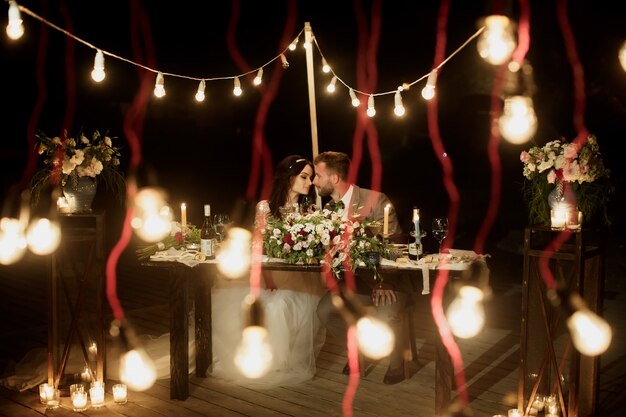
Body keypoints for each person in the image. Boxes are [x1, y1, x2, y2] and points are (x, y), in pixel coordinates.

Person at [211, 155, 326, 387]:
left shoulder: (310, 210)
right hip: (268, 272)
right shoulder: (265, 207)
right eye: (304, 177)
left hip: (299, 275)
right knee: (273, 303)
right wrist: (267, 276)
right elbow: (258, 246)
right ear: (289, 177)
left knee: (292, 303)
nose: (309, 182)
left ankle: (282, 359)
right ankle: (263, 358)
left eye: (311, 178)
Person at [312, 151, 412, 385]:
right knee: (325, 310)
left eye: (318, 175)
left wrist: (384, 281)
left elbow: (395, 245)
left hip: (389, 281)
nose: (314, 181)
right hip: (354, 285)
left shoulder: (375, 199)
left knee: (386, 312)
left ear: (334, 178)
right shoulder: (328, 210)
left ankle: (397, 362)